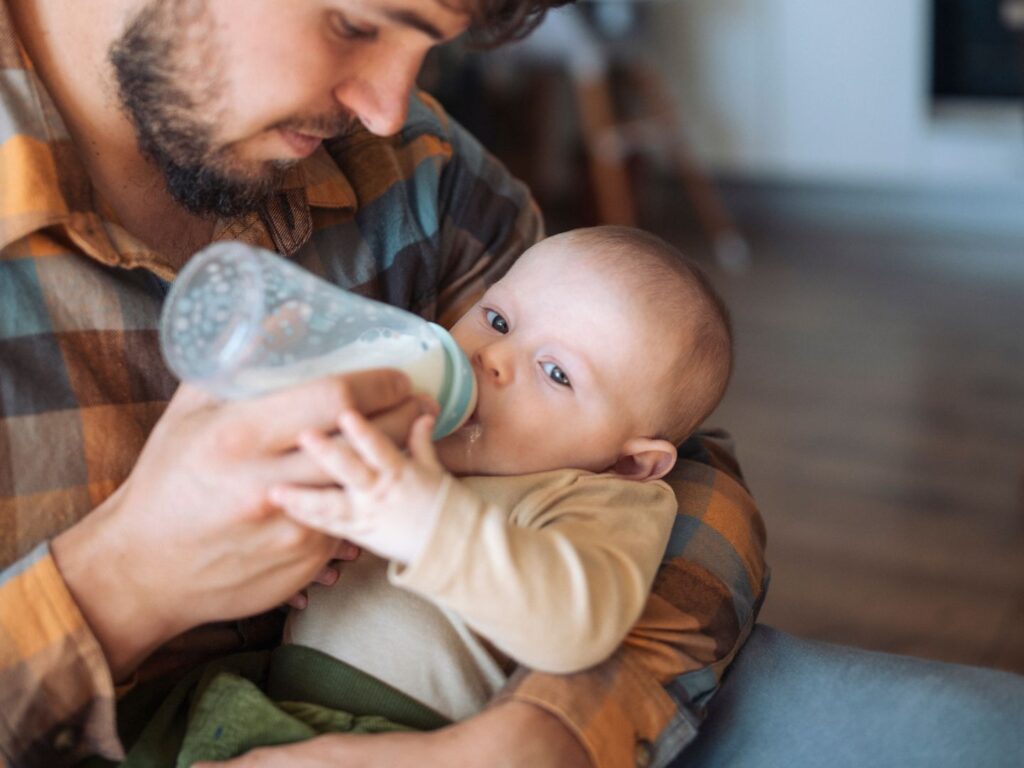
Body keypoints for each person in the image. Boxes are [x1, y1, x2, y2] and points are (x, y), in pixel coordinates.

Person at [0, 2, 767, 767]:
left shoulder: (418, 170)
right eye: (356, 24)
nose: (385, 109)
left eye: (429, 45)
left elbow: (689, 470)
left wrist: (547, 737)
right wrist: (127, 581)